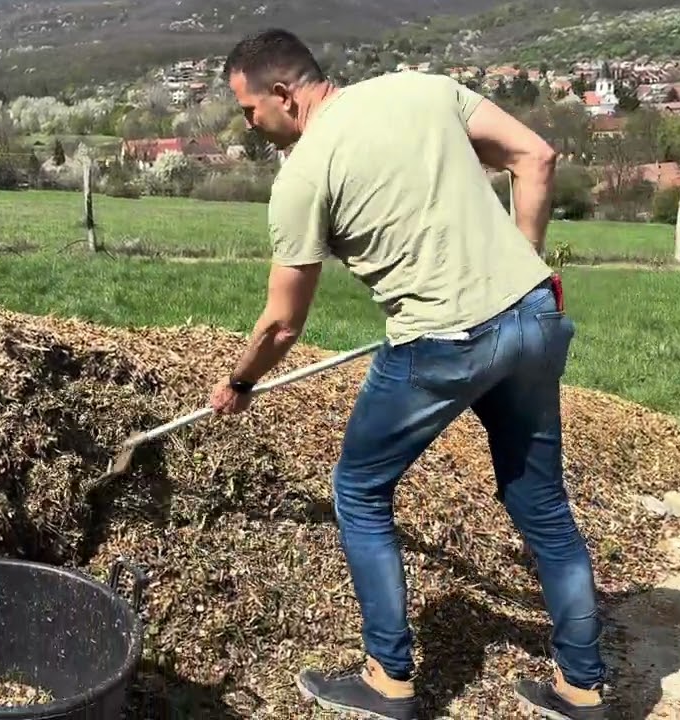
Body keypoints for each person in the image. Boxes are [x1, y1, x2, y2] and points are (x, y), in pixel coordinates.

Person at [206, 28, 607, 720]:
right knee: (540, 504)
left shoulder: (302, 176)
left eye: (248, 110)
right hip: (536, 316)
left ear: (282, 94)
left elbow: (280, 325)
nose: (249, 125)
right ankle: (583, 685)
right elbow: (535, 156)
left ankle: (387, 678)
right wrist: (519, 271)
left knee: (359, 491)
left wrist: (239, 382)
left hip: (442, 343)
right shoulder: (422, 88)